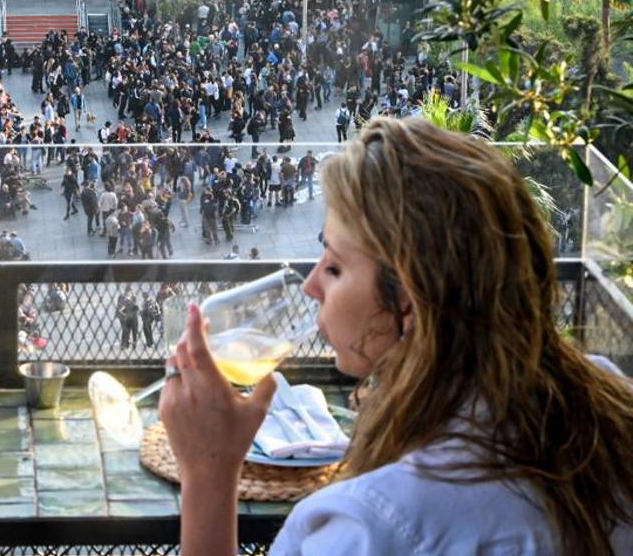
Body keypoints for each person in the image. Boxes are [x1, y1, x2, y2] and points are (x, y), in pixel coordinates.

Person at [160, 117, 633, 555]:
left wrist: (209, 471)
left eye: (336, 266)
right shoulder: (609, 404)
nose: (311, 285)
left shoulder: (372, 529)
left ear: (408, 298)